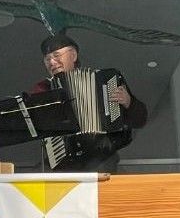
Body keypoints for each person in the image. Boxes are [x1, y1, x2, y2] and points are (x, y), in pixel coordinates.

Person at [30, 34, 148, 172]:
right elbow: (34, 127)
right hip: (65, 161)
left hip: (102, 159)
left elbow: (140, 121)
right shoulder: (43, 89)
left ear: (73, 55)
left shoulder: (104, 80)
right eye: (47, 59)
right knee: (37, 174)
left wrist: (128, 102)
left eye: (56, 55)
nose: (52, 62)